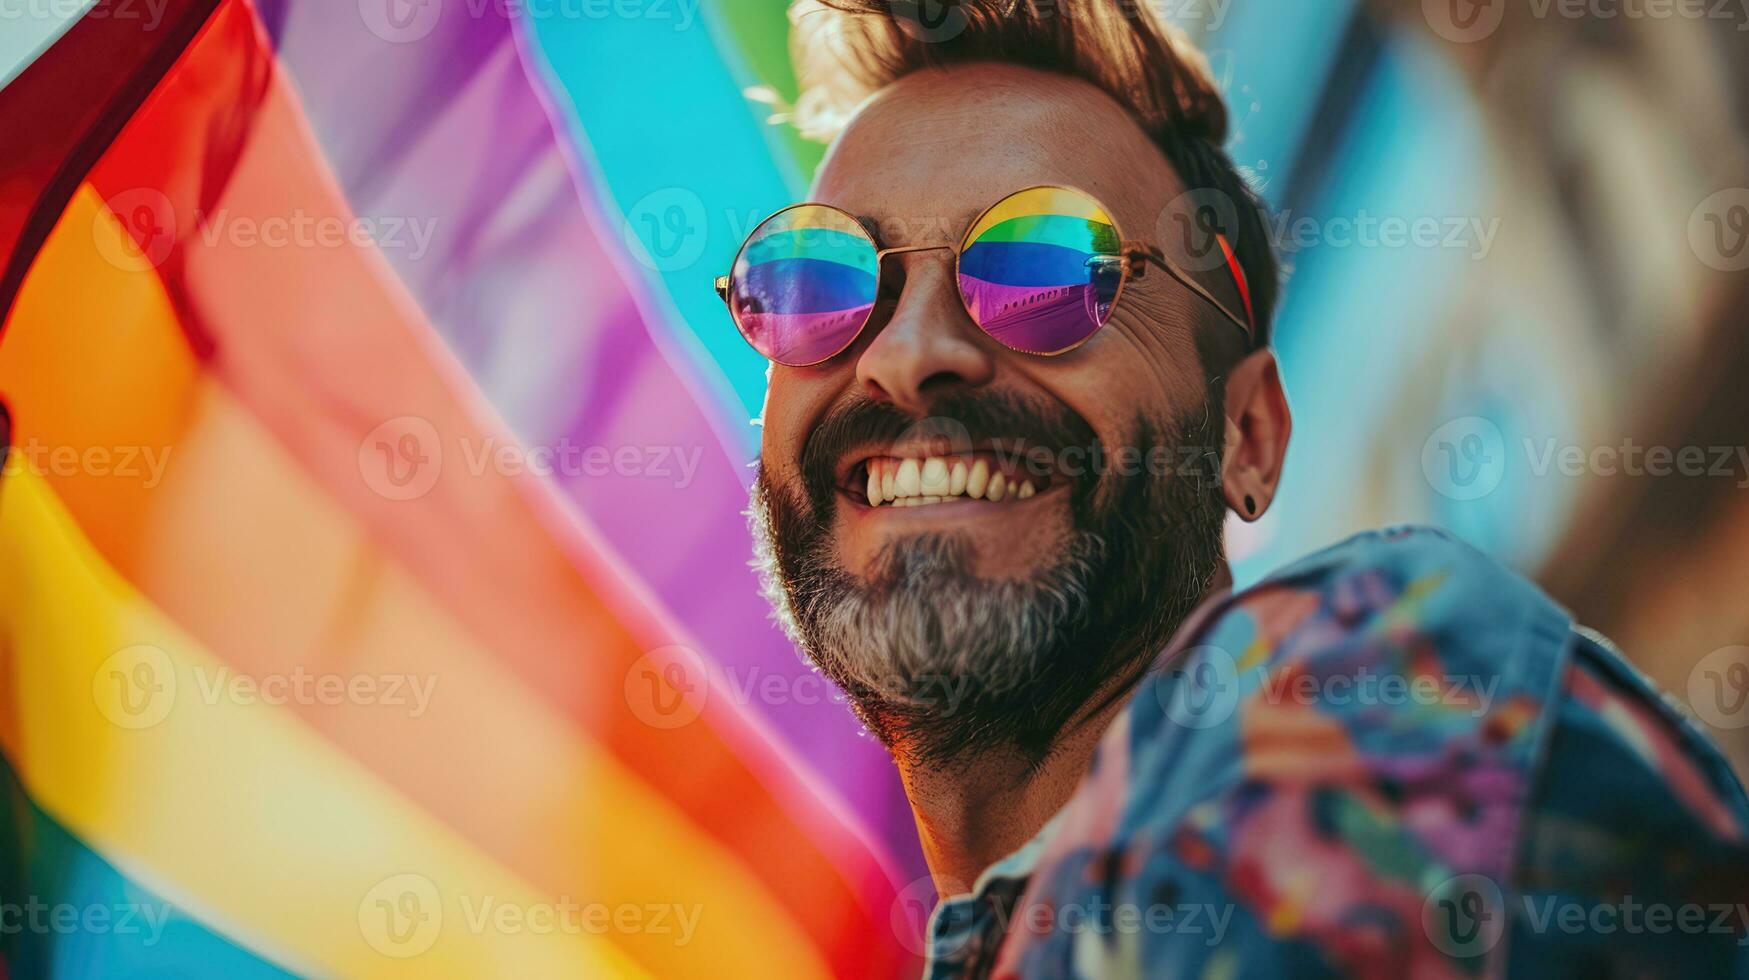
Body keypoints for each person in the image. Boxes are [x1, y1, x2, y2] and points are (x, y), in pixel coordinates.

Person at [727, 1, 1749, 974]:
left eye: (1041, 269)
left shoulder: (1375, 667)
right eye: (823, 280)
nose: (903, 355)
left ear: (1248, 435)